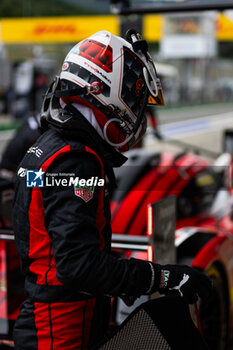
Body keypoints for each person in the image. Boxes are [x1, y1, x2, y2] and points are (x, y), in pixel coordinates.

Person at [13, 30, 211, 350]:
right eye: (135, 99)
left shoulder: (51, 146)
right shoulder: (76, 161)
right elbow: (79, 266)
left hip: (56, 324)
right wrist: (160, 277)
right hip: (60, 336)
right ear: (104, 90)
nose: (137, 111)